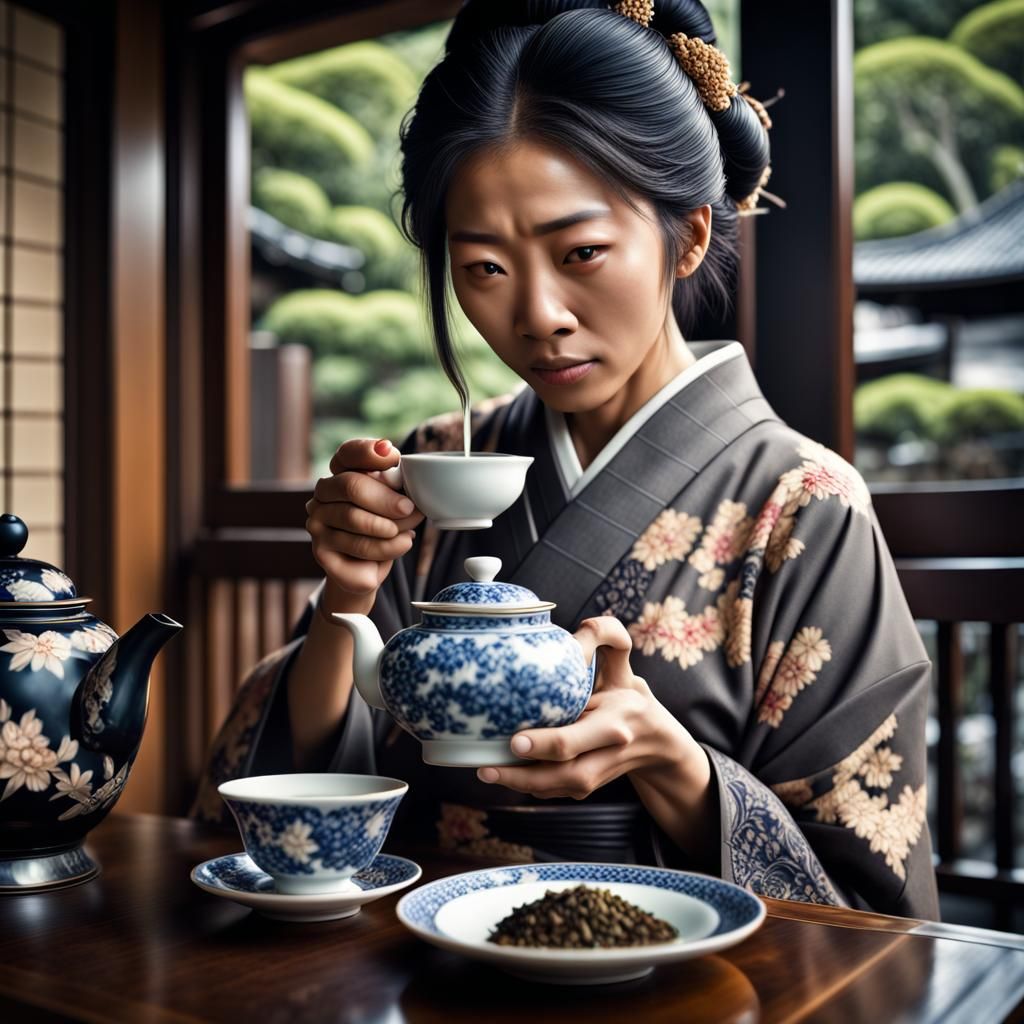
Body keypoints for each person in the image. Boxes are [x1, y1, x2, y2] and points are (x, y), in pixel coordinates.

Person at [193, 0, 939, 919]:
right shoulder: (433, 464)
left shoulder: (802, 507)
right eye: (485, 269)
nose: (537, 312)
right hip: (412, 961)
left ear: (689, 235)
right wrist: (346, 593)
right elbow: (312, 787)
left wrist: (677, 769)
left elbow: (868, 902)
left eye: (581, 250)